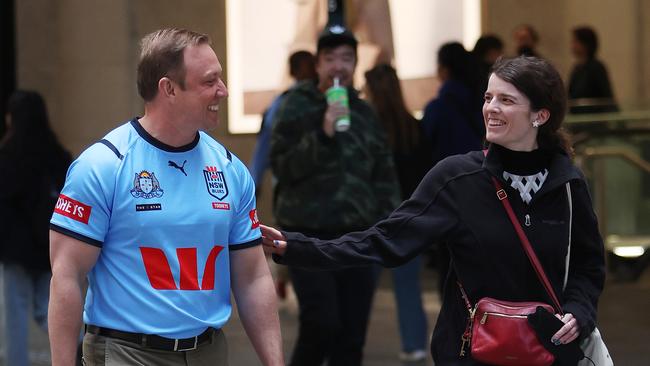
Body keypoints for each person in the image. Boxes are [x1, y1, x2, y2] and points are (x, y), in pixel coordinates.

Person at [263, 56, 606, 365]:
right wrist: (298, 247)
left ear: (540, 115)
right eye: (488, 98)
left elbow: (587, 265)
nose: (491, 108)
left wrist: (579, 310)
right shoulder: (458, 178)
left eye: (506, 100)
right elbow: (384, 240)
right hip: (471, 355)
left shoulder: (568, 184)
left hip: (547, 354)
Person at [48, 28, 284, 366]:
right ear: (168, 89)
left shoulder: (230, 168)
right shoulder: (103, 165)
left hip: (209, 352)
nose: (224, 90)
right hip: (126, 354)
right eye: (209, 81)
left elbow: (252, 278)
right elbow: (66, 276)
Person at [270, 25, 401, 366]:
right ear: (317, 65)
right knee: (321, 323)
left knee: (353, 334)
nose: (338, 66)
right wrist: (323, 132)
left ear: (356, 64)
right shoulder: (295, 106)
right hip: (308, 235)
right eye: (330, 59)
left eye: (346, 58)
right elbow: (283, 167)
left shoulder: (365, 112)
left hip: (359, 238)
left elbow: (384, 173)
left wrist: (390, 228)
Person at [363, 63, 430, 362]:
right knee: (408, 286)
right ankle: (414, 344)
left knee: (361, 286)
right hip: (409, 216)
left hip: (373, 216)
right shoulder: (412, 126)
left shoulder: (367, 129)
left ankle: (351, 343)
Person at [0, 90, 71, 366]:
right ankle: (79, 349)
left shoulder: (7, 156)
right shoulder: (57, 154)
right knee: (47, 308)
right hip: (48, 245)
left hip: (16, 250)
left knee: (15, 317)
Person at [249, 50, 316, 191]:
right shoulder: (284, 102)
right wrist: (255, 179)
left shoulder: (284, 101)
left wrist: (255, 179)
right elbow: (267, 139)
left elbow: (265, 140)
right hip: (293, 182)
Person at [567, 26, 617, 114]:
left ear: (585, 44)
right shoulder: (577, 68)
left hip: (593, 119)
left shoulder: (596, 67)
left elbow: (607, 96)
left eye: (575, 42)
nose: (572, 45)